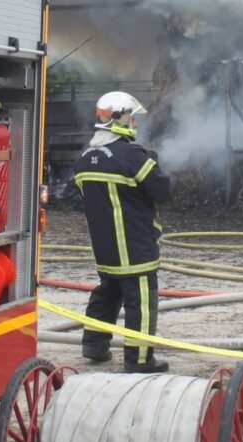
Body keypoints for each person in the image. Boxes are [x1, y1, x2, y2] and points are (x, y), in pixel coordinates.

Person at [73, 91, 172, 373]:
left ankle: (94, 345)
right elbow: (162, 191)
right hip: (135, 244)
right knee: (140, 301)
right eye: (132, 119)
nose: (135, 125)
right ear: (119, 120)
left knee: (108, 291)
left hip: (105, 248)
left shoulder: (85, 157)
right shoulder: (132, 156)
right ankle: (140, 360)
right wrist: (153, 161)